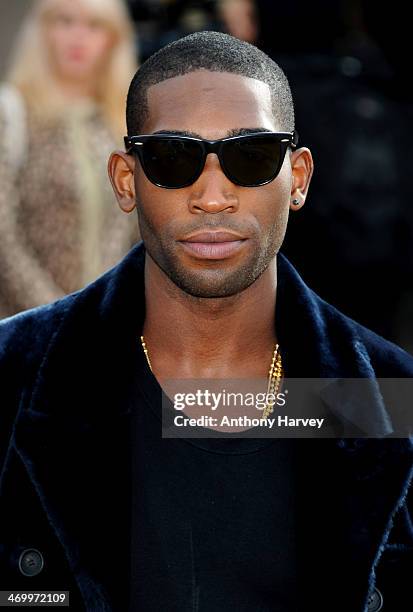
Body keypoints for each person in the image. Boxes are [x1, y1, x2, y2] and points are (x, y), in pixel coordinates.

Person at [0, 31, 412, 612]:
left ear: (297, 178)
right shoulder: (14, 373)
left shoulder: (391, 398)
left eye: (251, 157)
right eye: (173, 157)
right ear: (125, 180)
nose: (213, 196)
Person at [0, 0, 139, 318]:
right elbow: (3, 239)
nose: (78, 37)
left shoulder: (123, 122)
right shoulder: (11, 113)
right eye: (65, 21)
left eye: (94, 26)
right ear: (42, 31)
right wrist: (57, 315)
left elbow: (135, 236)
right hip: (26, 332)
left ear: (113, 39)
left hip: (107, 326)